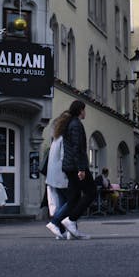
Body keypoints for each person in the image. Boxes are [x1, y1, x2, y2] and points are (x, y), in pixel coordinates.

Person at [60, 100, 96, 239]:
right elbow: (77, 148)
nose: (85, 112)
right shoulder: (76, 125)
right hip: (76, 166)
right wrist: (81, 169)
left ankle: (70, 231)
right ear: (81, 110)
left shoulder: (69, 123)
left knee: (74, 197)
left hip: (69, 166)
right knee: (91, 191)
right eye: (84, 110)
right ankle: (71, 220)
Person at [45, 111, 71, 239]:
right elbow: (63, 158)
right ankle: (55, 223)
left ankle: (60, 231)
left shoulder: (55, 137)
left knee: (61, 203)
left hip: (52, 176)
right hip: (62, 175)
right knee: (72, 201)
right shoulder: (64, 138)